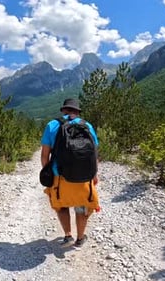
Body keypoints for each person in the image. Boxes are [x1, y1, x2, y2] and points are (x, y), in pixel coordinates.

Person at [40, 98, 100, 247]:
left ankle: (68, 236)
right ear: (78, 112)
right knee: (81, 207)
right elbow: (94, 154)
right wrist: (94, 175)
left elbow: (44, 155)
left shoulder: (52, 125)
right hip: (84, 177)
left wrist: (47, 173)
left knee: (62, 206)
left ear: (64, 110)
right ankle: (80, 238)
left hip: (59, 176)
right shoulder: (87, 126)